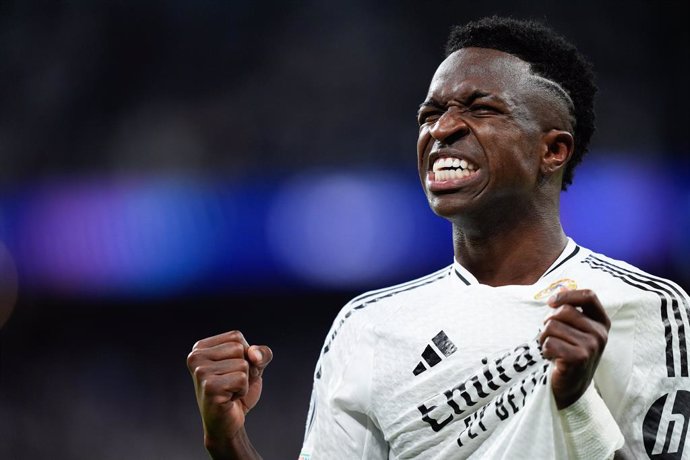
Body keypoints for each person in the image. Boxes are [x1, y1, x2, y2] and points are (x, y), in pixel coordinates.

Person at [186, 16, 689, 459]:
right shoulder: (368, 327)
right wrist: (229, 443)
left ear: (552, 150)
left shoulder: (648, 309)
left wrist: (577, 402)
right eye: (430, 114)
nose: (442, 128)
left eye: (481, 109)